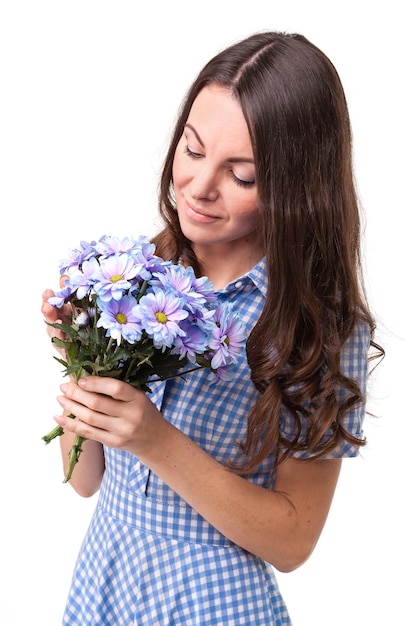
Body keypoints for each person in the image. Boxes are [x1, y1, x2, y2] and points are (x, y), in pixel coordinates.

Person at [41, 31, 383, 625]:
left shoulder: (317, 325)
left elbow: (293, 542)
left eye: (242, 176)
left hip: (213, 604)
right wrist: (81, 361)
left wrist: (156, 439)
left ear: (295, 188)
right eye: (192, 150)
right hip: (106, 584)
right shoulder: (144, 275)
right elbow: (85, 481)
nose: (199, 187)